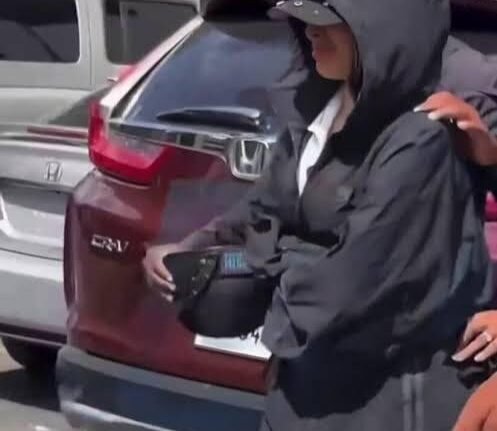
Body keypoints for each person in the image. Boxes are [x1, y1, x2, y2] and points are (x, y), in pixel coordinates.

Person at [144, 0, 496, 429]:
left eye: (326, 20)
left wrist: (255, 271)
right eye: (302, 19)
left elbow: (352, 284)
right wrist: (193, 252)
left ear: (378, 30)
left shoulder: (421, 134)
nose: (310, 31)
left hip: (382, 404)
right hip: (301, 391)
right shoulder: (317, 111)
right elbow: (264, 210)